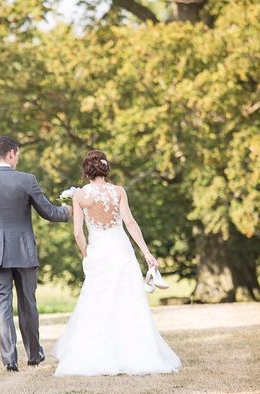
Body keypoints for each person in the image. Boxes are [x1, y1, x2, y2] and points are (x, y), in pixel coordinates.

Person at [52, 150, 181, 376]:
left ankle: (93, 353)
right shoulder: (118, 191)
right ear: (105, 169)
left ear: (87, 171)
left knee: (96, 300)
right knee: (128, 299)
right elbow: (130, 223)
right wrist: (146, 252)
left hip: (99, 252)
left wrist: (85, 254)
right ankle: (138, 352)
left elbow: (78, 234)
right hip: (121, 250)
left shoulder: (81, 196)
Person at [0, 136, 72, 372]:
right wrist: (68, 211)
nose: (17, 159)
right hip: (23, 250)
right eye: (18, 155)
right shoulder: (26, 180)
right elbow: (49, 212)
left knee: (2, 305)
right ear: (11, 153)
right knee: (28, 303)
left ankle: (10, 360)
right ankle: (34, 354)